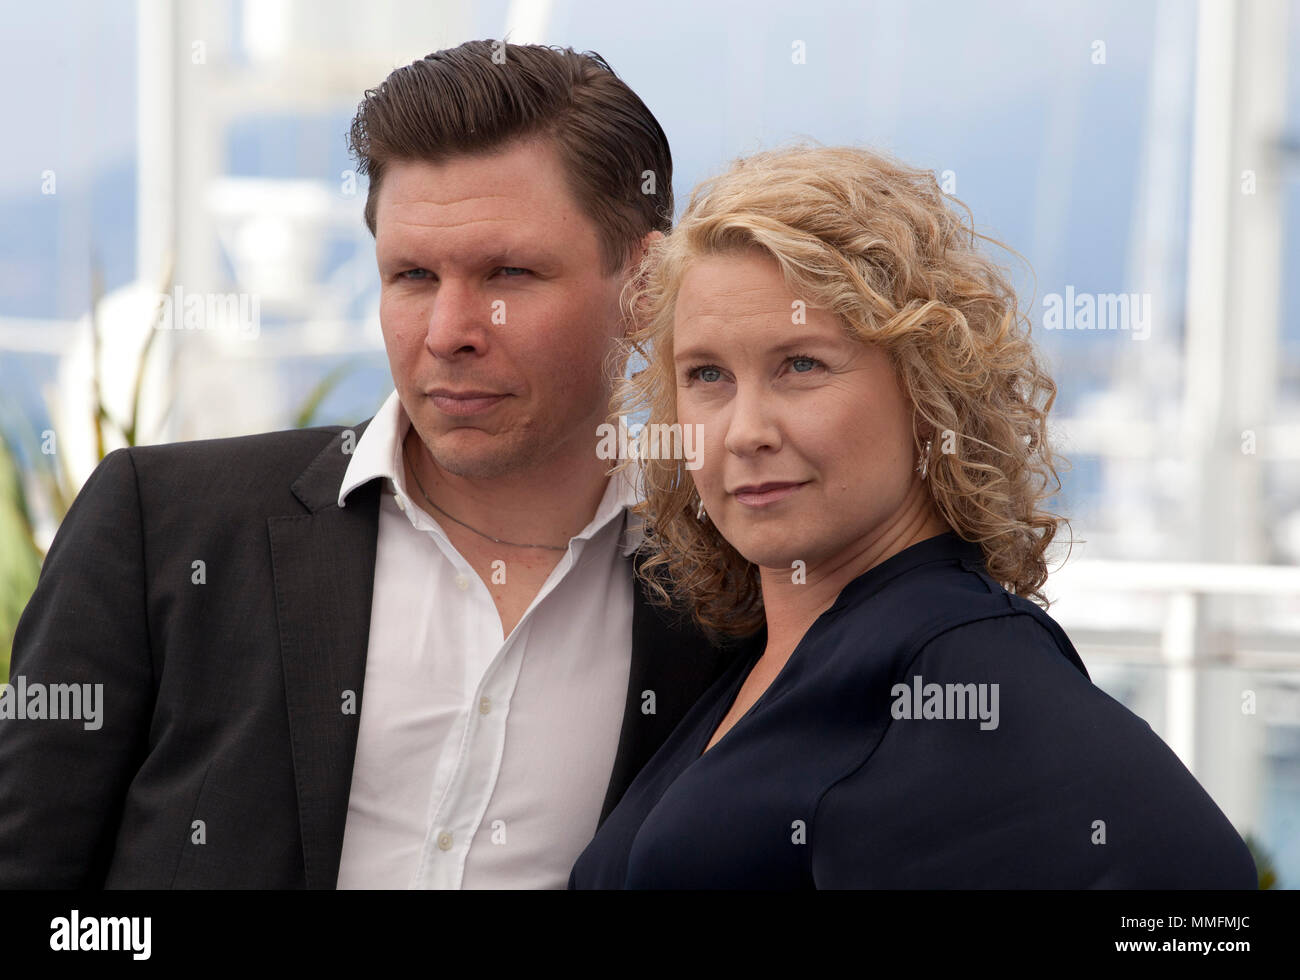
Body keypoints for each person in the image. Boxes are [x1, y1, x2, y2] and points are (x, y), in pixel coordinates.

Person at [0, 40, 744, 889]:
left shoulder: (727, 594)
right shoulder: (161, 528)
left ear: (646, 287)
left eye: (509, 272)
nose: (448, 330)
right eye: (412, 275)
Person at [569, 143, 1259, 889]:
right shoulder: (758, 656)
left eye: (801, 365)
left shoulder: (962, 665)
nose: (745, 429)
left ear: (926, 389)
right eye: (708, 375)